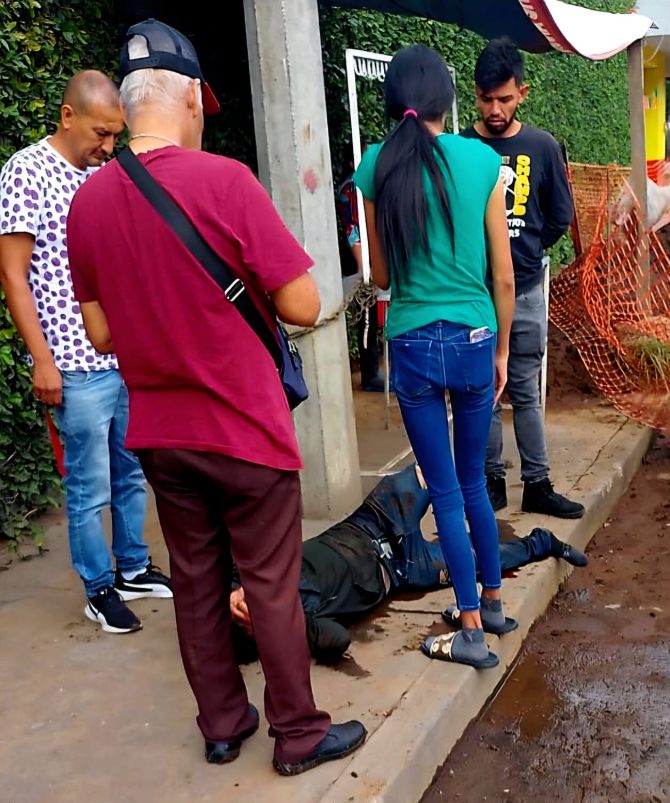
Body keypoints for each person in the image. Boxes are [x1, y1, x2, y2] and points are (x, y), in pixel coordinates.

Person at [65, 19, 365, 774]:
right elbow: (301, 304)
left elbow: (101, 334)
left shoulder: (88, 204)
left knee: (197, 581)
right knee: (269, 580)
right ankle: (297, 733)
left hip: (162, 434)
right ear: (192, 98)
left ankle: (224, 724)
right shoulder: (225, 181)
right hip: (243, 428)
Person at [354, 45, 516, 670]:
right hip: (477, 339)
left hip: (416, 346)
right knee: (474, 481)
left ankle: (469, 629)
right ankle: (492, 603)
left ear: (392, 104)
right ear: (450, 102)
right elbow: (503, 275)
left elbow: (381, 272)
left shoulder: (376, 166)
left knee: (443, 489)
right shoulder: (480, 160)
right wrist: (501, 348)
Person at [0, 70, 172, 635]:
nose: (108, 146)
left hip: (121, 356)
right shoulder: (25, 172)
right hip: (71, 362)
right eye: (101, 133)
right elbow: (13, 274)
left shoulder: (105, 174)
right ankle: (98, 588)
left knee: (129, 472)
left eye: (116, 136)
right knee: (88, 483)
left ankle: (133, 566)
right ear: (68, 116)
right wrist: (42, 359)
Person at [230, 463, 588, 664]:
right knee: (476, 562)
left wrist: (235, 590)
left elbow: (236, 551)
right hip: (402, 568)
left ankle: (484, 485)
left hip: (372, 519)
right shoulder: (298, 622)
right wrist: (278, 625)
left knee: (438, 462)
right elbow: (336, 641)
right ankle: (544, 543)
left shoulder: (251, 575)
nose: (251, 606)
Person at [462, 38, 585, 520]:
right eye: (486, 99)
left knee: (525, 388)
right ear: (474, 94)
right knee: (482, 392)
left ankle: (538, 483)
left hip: (528, 290)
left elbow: (560, 214)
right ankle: (491, 481)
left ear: (523, 93)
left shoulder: (542, 146)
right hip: (475, 292)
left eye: (505, 99)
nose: (495, 109)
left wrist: (528, 247)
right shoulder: (462, 148)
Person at [336, 141, 385, 392]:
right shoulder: (351, 189)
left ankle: (372, 373)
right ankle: (370, 376)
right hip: (360, 266)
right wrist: (363, 269)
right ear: (352, 163)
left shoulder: (362, 187)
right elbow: (352, 231)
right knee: (365, 319)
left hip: (369, 262)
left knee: (372, 317)